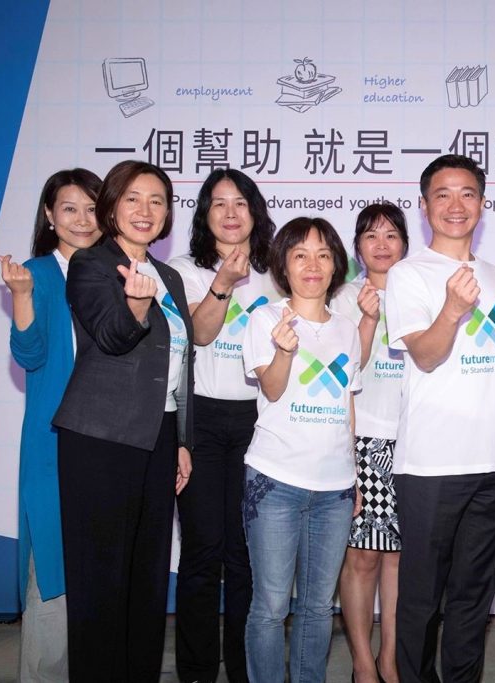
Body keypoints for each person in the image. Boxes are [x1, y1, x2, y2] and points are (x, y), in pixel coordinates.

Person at [384, 154, 495, 683]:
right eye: (442, 194)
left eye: (467, 193)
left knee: (473, 600)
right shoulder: (408, 274)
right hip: (430, 467)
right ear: (424, 206)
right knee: (421, 600)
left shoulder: (494, 276)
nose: (455, 205)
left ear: (482, 204)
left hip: (489, 465)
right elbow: (425, 356)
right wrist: (450, 310)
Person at [52, 160, 194, 682]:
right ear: (111, 206)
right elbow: (112, 337)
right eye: (133, 198)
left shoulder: (169, 276)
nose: (145, 210)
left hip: (159, 435)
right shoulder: (90, 263)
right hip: (101, 438)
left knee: (148, 576)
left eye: (157, 201)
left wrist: (181, 440)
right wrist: (136, 305)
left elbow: (181, 363)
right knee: (100, 580)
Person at [170, 168, 280, 683]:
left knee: (245, 554)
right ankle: (196, 670)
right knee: (201, 549)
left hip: (261, 421)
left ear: (255, 212)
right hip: (203, 418)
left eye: (241, 203)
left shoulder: (277, 273)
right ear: (204, 214)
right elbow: (199, 334)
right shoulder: (184, 270)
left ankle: (243, 668)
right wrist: (223, 283)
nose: (231, 213)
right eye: (219, 203)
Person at [241, 217, 362, 683]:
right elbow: (272, 389)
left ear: (335, 266)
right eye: (300, 255)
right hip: (275, 482)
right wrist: (285, 352)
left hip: (334, 490)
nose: (313, 265)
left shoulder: (347, 329)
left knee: (317, 607)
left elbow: (347, 405)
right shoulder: (266, 319)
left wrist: (354, 477)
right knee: (271, 606)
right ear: (283, 265)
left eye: (323, 255)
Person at [0, 168, 102, 682]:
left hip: (110, 444)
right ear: (49, 215)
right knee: (51, 567)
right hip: (53, 442)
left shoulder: (123, 273)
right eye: (69, 209)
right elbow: (30, 355)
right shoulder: (37, 273)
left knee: (101, 570)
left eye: (92, 208)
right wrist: (21, 296)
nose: (82, 220)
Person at [334, 202, 409, 683]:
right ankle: (363, 661)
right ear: (358, 247)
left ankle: (391, 658)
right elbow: (344, 373)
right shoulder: (341, 298)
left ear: (405, 243)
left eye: (391, 235)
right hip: (362, 439)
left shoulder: (420, 292)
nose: (382, 245)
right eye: (371, 236)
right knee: (361, 557)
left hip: (416, 442)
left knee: (400, 559)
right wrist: (365, 319)